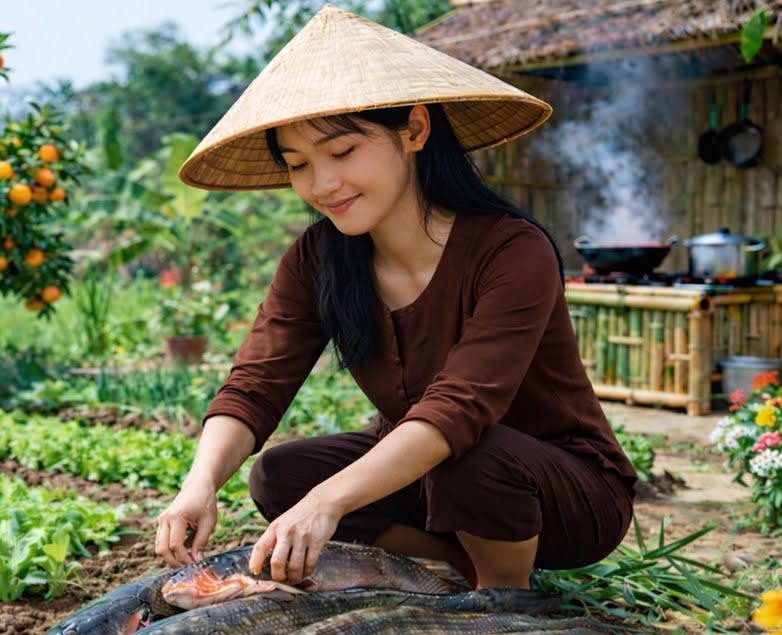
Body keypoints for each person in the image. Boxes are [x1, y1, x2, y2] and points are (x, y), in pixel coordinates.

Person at [155, 5, 637, 590]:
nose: (322, 184)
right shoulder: (318, 258)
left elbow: (456, 411)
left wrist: (329, 502)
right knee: (282, 475)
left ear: (413, 129)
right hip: (435, 474)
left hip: (561, 491)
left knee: (466, 453)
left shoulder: (513, 251)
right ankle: (445, 571)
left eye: (342, 152)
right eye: (299, 164)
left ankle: (503, 594)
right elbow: (257, 382)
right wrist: (199, 483)